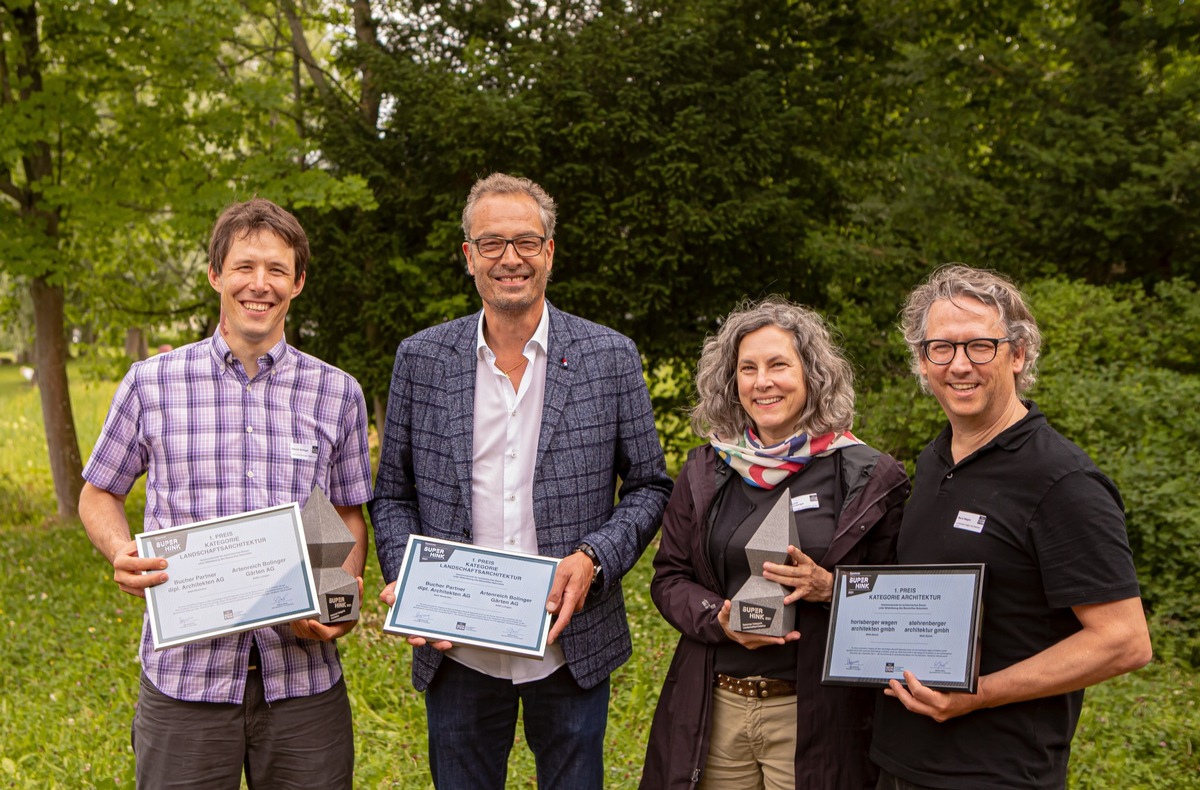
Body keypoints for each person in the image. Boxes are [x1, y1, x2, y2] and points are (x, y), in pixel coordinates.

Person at [370, 172, 672, 789]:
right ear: (469, 257)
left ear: (550, 252)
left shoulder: (608, 356)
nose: (511, 258)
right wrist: (409, 580)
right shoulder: (422, 359)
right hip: (457, 647)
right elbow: (394, 494)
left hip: (570, 642)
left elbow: (648, 485)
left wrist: (594, 557)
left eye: (527, 242)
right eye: (492, 243)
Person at [79, 198, 373, 789]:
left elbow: (343, 512)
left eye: (276, 270)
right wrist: (119, 551)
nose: (259, 284)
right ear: (216, 274)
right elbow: (99, 493)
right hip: (185, 678)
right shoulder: (151, 384)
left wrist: (337, 602)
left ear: (298, 283)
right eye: (244, 267)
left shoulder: (336, 393)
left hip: (302, 684)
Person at [870, 264, 1153, 790]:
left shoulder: (1061, 481)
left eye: (980, 346)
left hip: (998, 773)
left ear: (1018, 354)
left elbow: (1125, 640)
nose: (959, 365)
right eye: (941, 348)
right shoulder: (934, 461)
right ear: (921, 361)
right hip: (902, 762)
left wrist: (979, 692)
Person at [641, 297, 911, 790]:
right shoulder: (705, 469)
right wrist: (717, 617)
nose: (762, 381)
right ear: (733, 382)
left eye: (778, 365)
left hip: (816, 718)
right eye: (748, 368)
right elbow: (669, 578)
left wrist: (832, 588)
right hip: (716, 711)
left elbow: (900, 598)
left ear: (813, 374)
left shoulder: (868, 476)